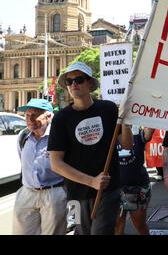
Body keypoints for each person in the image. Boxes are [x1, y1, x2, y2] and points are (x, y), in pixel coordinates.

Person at [48, 62, 122, 235]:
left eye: (79, 79)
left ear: (90, 83)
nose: (74, 84)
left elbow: (127, 144)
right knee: (78, 233)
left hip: (107, 191)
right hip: (73, 195)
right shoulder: (60, 119)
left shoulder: (109, 108)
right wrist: (91, 181)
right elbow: (56, 163)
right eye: (69, 81)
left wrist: (126, 119)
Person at [12, 99, 67, 235]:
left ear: (48, 116)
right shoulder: (23, 136)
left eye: (34, 115)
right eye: (27, 115)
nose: (29, 119)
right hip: (27, 192)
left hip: (54, 193)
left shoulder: (59, 136)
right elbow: (24, 161)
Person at [115, 125, 154, 235]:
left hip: (137, 188)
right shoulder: (110, 134)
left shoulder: (137, 132)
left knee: (139, 225)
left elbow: (149, 132)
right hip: (116, 188)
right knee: (117, 226)